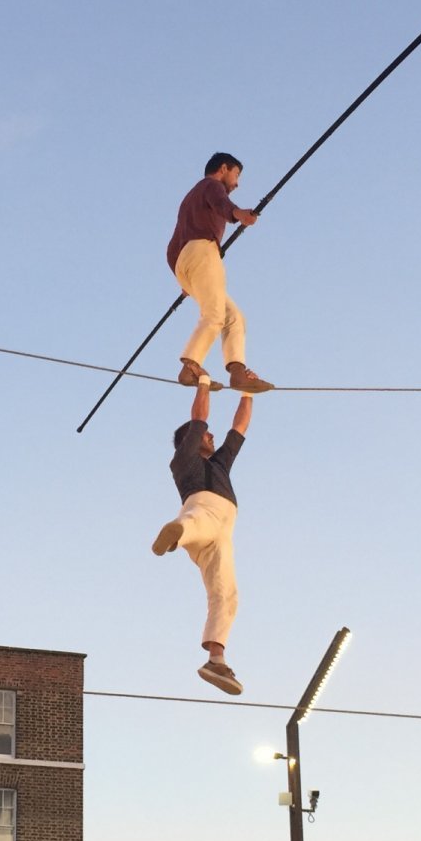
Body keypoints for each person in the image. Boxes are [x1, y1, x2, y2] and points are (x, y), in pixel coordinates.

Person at [152, 384, 253, 694]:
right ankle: (176, 533)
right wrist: (204, 384)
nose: (211, 436)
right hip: (203, 512)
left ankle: (216, 659)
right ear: (189, 442)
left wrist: (248, 393)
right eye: (205, 436)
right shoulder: (183, 460)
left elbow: (239, 427)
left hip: (224, 532)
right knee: (193, 522)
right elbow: (199, 418)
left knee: (226, 593)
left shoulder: (220, 464)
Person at [166, 152, 274, 395]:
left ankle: (237, 372)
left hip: (185, 262)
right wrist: (240, 215)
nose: (236, 183)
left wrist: (184, 279)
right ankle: (190, 367)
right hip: (202, 252)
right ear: (223, 168)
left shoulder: (191, 198)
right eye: (236, 175)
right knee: (214, 315)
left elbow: (173, 246)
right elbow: (223, 205)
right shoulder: (211, 186)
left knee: (233, 316)